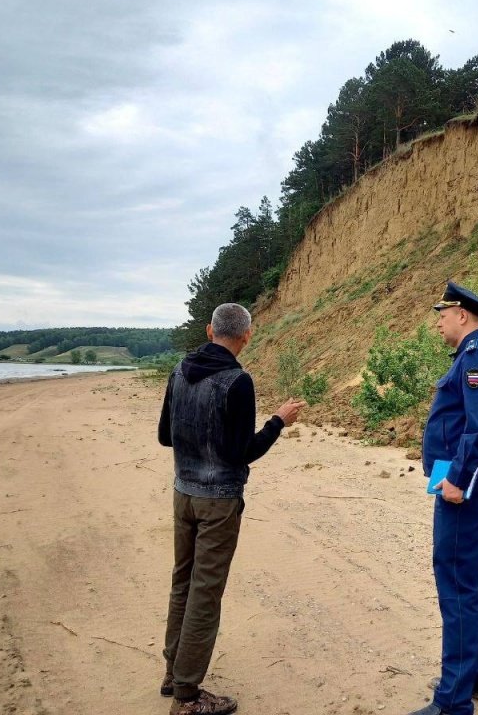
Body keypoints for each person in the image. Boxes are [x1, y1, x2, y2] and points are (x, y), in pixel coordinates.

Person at [157, 303, 304, 715]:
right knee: (205, 592)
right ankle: (187, 696)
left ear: (209, 330)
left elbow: (165, 437)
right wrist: (278, 421)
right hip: (218, 501)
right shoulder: (238, 382)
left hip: (182, 493)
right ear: (248, 335)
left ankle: (173, 672)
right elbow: (243, 452)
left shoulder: (179, 371)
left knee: (182, 582)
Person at [408, 281, 478, 715]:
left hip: (467, 484)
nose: (438, 320)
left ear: (463, 316)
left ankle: (452, 702)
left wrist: (456, 477)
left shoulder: (477, 357)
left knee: (456, 579)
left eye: (443, 313)